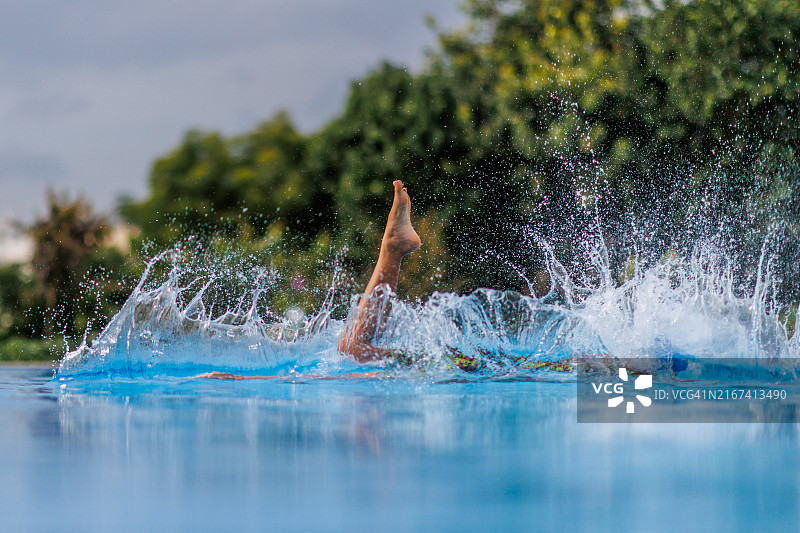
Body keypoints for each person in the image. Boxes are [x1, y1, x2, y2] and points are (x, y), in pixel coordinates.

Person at [197, 179, 421, 380]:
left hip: (440, 366)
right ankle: (392, 248)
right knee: (351, 349)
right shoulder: (451, 363)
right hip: (440, 365)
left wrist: (243, 380)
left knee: (352, 349)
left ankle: (393, 248)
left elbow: (320, 380)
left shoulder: (453, 365)